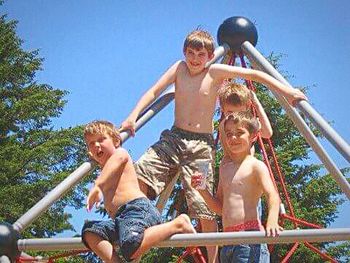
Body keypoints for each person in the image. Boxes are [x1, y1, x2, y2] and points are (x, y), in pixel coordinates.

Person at [120, 29, 305, 262]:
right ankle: (139, 227)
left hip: (200, 143)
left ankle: (213, 259)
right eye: (190, 53)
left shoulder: (215, 72)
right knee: (141, 173)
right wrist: (133, 116)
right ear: (183, 52)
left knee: (202, 207)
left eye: (200, 54)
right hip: (175, 136)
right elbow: (155, 91)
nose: (195, 59)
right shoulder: (179, 69)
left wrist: (287, 91)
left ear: (210, 57)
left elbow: (255, 75)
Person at [81, 120, 196, 263]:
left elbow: (114, 163)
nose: (96, 145)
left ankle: (178, 223)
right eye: (91, 143)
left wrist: (97, 186)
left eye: (101, 140)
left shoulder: (120, 154)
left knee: (131, 245)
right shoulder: (103, 168)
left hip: (138, 210)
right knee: (90, 231)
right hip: (120, 220)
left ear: (116, 141)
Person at [192, 112, 283, 263]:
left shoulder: (256, 166)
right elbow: (220, 208)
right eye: (229, 134)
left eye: (239, 133)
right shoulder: (225, 167)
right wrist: (202, 191)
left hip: (249, 239)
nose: (233, 138)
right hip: (228, 241)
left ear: (253, 136)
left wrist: (272, 220)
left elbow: (272, 196)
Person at [217, 81, 272, 163]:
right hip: (233, 166)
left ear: (247, 107)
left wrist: (257, 104)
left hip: (246, 165)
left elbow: (267, 133)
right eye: (230, 112)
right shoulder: (224, 125)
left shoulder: (247, 123)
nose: (235, 117)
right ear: (222, 109)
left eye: (240, 112)